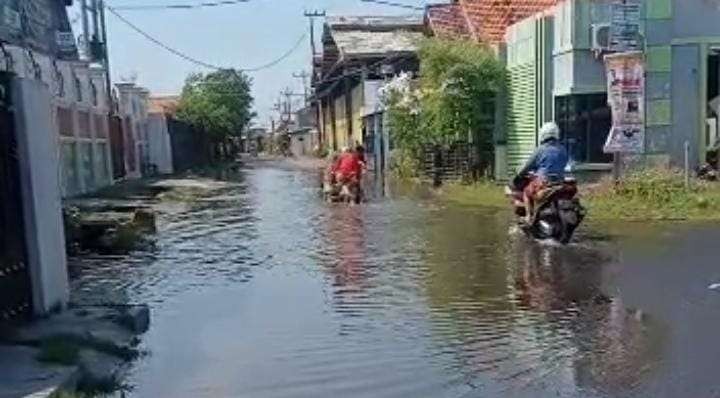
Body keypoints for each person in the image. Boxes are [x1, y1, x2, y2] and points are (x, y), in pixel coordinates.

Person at [516, 122, 569, 223]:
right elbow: (564, 163)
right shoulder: (562, 149)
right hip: (560, 182)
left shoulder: (540, 150)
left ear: (543, 134)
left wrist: (520, 173)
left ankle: (528, 217)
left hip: (543, 182)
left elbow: (527, 166)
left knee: (526, 192)